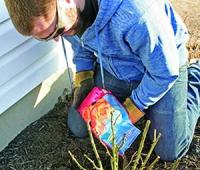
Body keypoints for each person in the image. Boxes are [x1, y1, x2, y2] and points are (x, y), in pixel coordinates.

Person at [4, 0, 200, 161]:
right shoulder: (64, 16)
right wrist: (84, 76)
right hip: (116, 67)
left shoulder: (135, 12)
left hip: (161, 66)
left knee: (169, 151)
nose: (57, 39)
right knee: (78, 126)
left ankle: (195, 75)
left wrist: (133, 108)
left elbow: (164, 72)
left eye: (57, 31)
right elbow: (80, 45)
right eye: (47, 37)